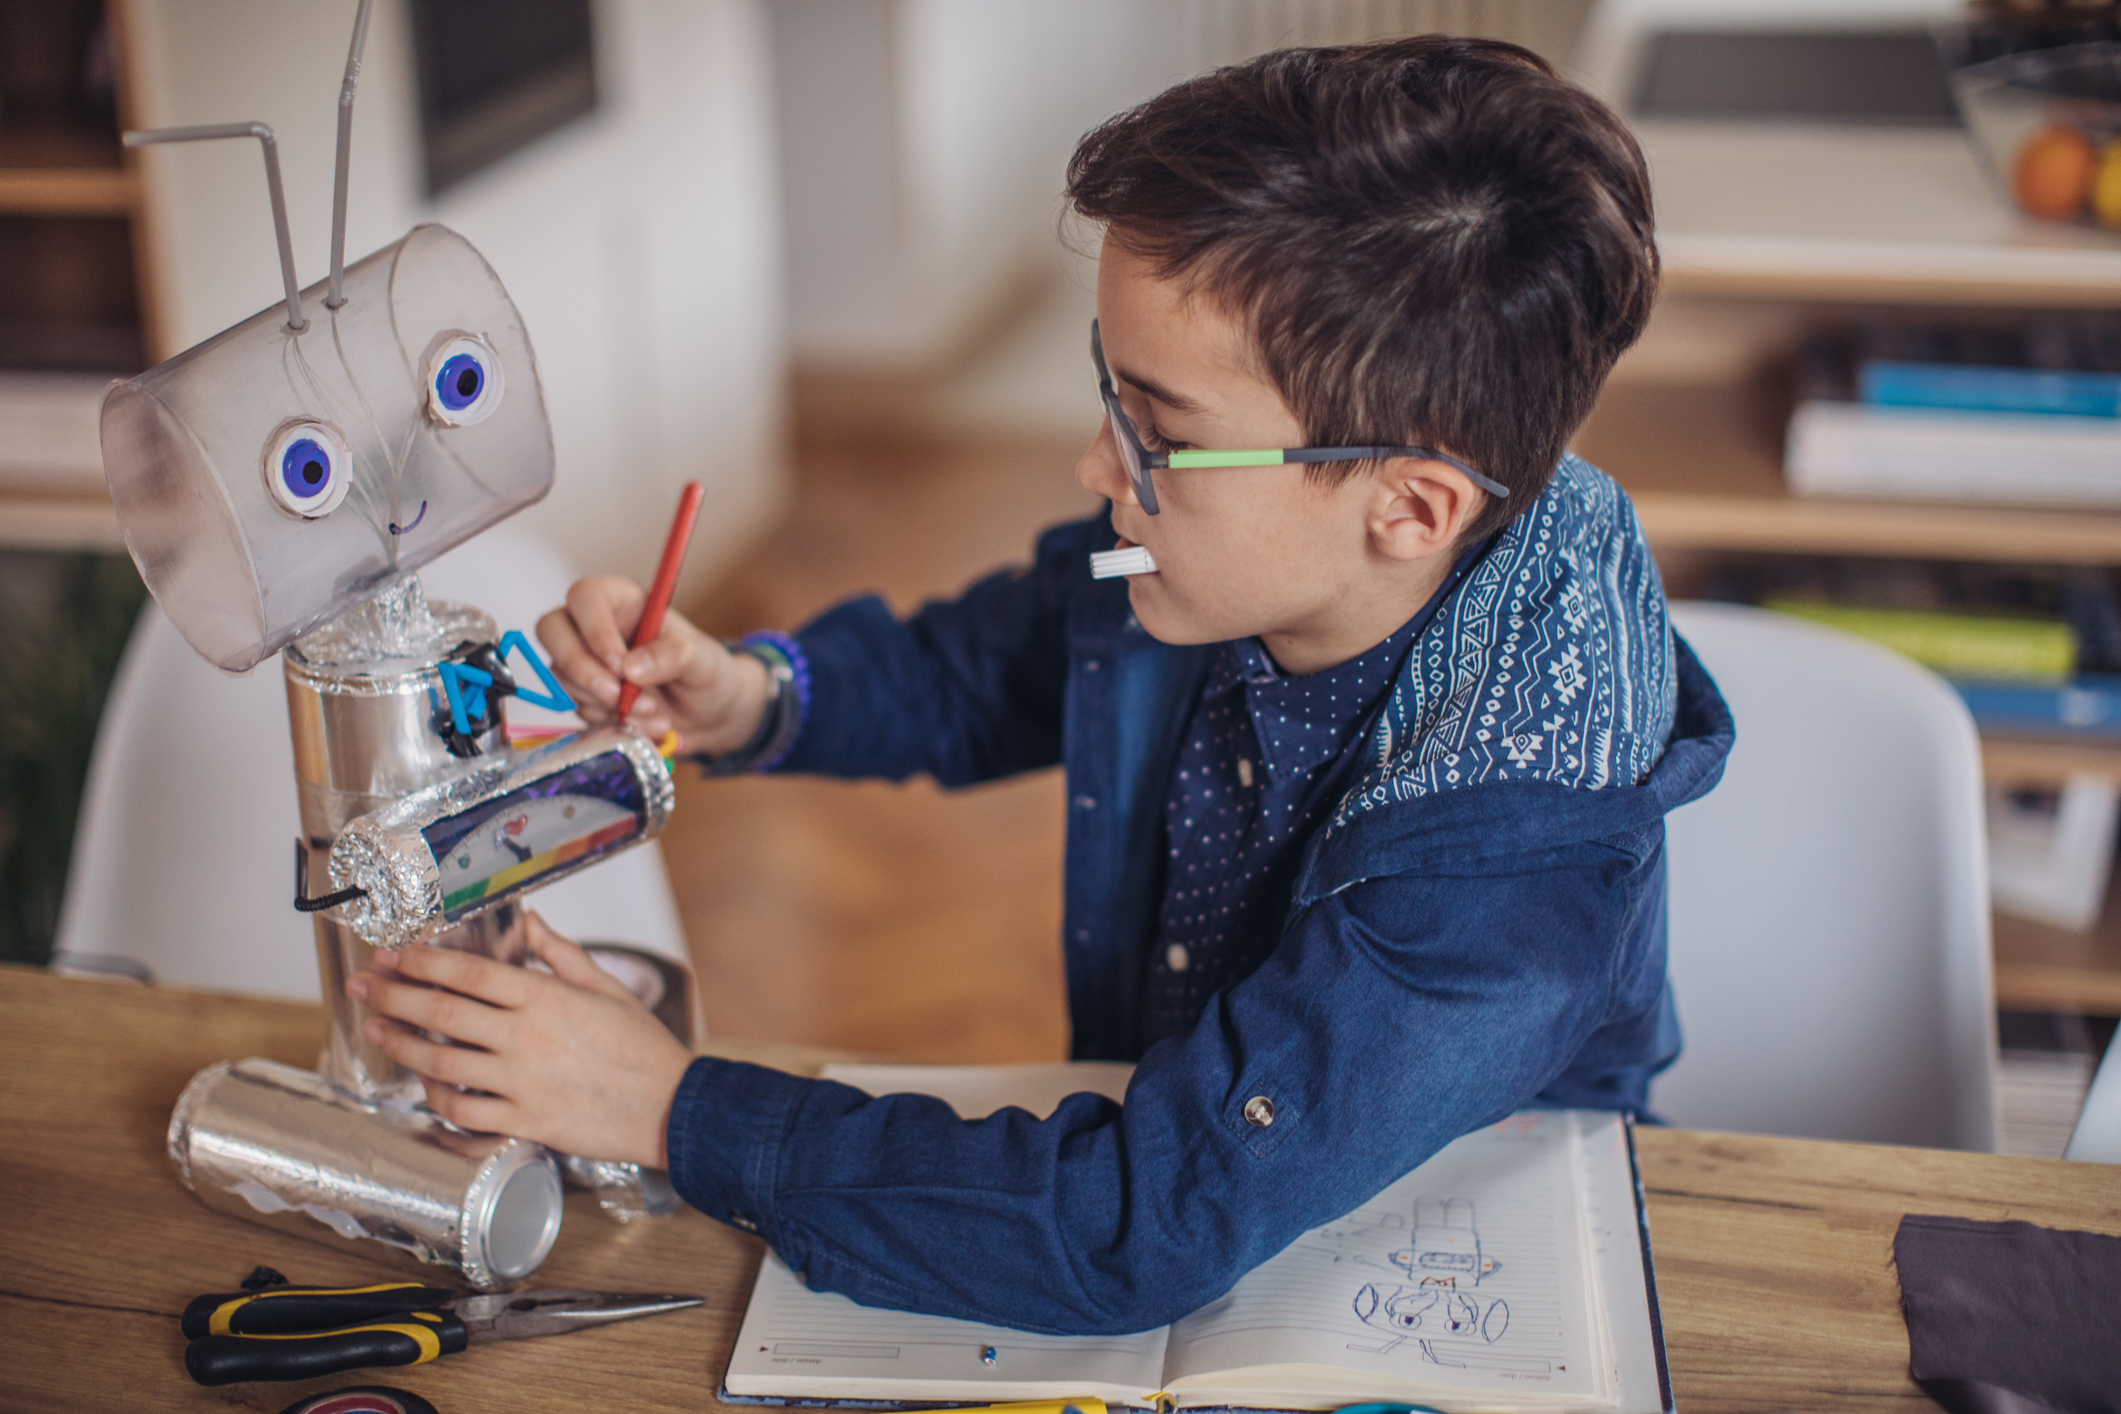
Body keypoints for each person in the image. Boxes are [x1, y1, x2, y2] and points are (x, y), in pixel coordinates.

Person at [347, 35, 1733, 1335]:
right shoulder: (1212, 551)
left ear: (1411, 508)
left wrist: (672, 1110)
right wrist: (749, 695)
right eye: (1106, 393)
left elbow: (1141, 1220)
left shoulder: (1509, 863)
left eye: (1161, 433)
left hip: (1469, 1260)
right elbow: (985, 665)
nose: (1093, 468)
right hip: (1188, 1155)